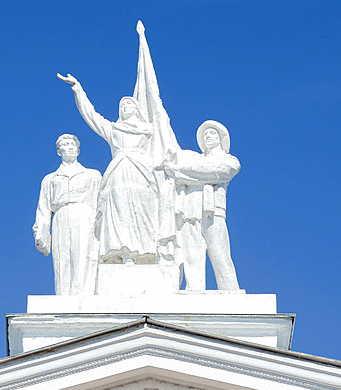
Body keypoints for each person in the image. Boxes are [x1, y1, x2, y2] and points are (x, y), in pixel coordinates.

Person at [58, 73, 161, 264]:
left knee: (145, 211)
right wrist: (78, 90)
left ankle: (146, 253)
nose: (124, 107)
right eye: (121, 105)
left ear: (137, 108)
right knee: (121, 214)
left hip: (143, 174)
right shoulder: (113, 129)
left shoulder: (150, 129)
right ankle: (125, 254)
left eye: (128, 104)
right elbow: (92, 116)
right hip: (119, 173)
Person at [164, 120, 240, 291]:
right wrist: (184, 173)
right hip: (190, 210)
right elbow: (202, 172)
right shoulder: (195, 159)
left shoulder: (229, 160)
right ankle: (194, 288)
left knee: (220, 252)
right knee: (191, 251)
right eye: (205, 134)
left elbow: (218, 173)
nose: (207, 136)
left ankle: (230, 289)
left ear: (221, 138)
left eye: (212, 133)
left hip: (213, 211)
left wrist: (180, 173)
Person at [33, 134, 101, 295]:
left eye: (72, 144)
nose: (70, 147)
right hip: (61, 216)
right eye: (65, 144)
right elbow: (43, 207)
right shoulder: (50, 179)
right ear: (58, 151)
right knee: (62, 257)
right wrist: (41, 233)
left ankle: (84, 294)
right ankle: (63, 295)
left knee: (83, 254)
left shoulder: (92, 175)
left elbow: (102, 204)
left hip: (85, 215)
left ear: (78, 150)